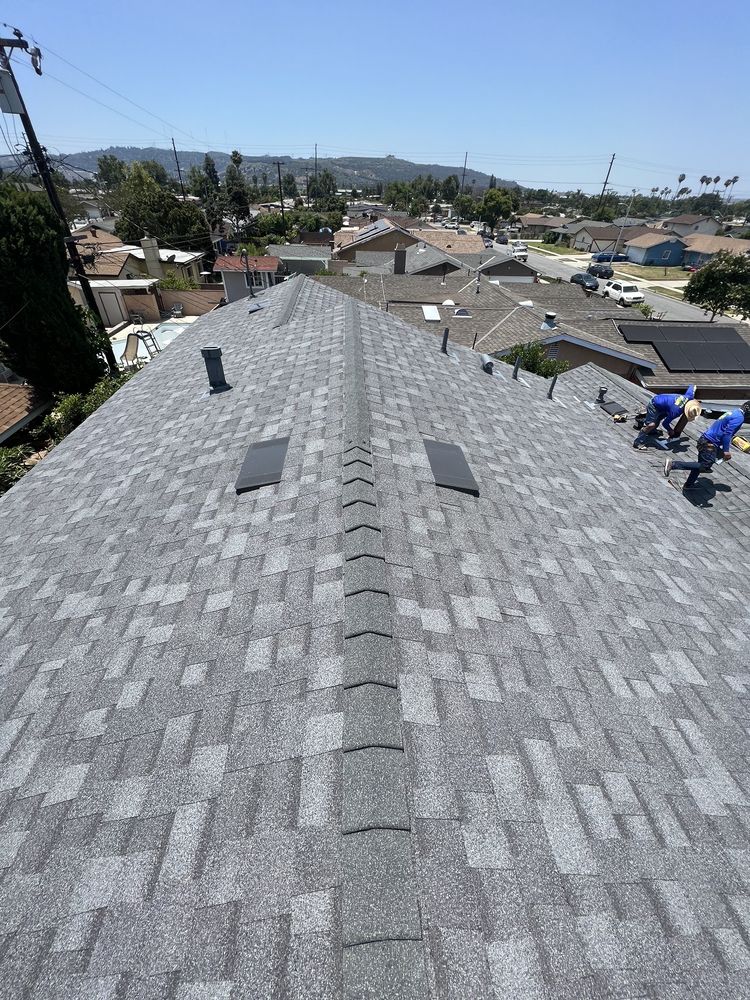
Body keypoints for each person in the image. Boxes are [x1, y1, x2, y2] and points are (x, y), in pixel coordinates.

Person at [665, 401, 750, 489]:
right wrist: (726, 451)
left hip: (705, 439)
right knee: (705, 465)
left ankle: (689, 484)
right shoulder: (739, 418)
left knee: (700, 464)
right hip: (710, 443)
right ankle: (673, 464)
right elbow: (727, 434)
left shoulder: (734, 412)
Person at [633, 386, 700, 449]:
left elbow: (692, 386)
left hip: (663, 405)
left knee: (658, 419)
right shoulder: (675, 412)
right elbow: (665, 423)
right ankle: (638, 442)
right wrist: (670, 430)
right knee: (651, 425)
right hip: (654, 405)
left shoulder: (689, 396)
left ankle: (651, 432)